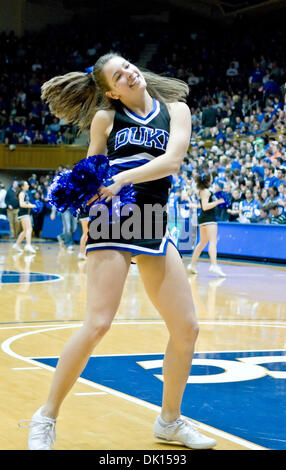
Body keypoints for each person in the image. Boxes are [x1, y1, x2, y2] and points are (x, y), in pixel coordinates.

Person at [25, 52, 217, 450]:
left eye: (128, 66)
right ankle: (45, 417)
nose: (129, 73)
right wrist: (85, 218)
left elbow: (173, 160)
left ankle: (169, 421)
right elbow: (91, 172)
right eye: (119, 74)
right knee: (97, 324)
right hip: (112, 220)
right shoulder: (106, 119)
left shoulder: (176, 111)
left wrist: (122, 177)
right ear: (111, 90)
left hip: (153, 219)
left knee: (187, 328)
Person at [187, 173, 226, 277]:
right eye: (212, 179)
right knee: (213, 242)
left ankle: (192, 265)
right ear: (209, 181)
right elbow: (205, 206)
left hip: (203, 219)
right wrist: (217, 202)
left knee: (202, 242)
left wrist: (194, 205)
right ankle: (213, 265)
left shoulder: (202, 191)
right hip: (209, 219)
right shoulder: (206, 192)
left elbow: (201, 204)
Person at [13, 181, 36, 253]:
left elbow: (27, 202)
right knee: (29, 229)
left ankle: (16, 245)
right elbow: (21, 204)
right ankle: (28, 245)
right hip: (23, 213)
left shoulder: (25, 193)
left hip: (26, 213)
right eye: (27, 184)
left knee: (25, 231)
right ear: (22, 186)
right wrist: (31, 206)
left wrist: (33, 205)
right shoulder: (22, 193)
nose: (28, 185)